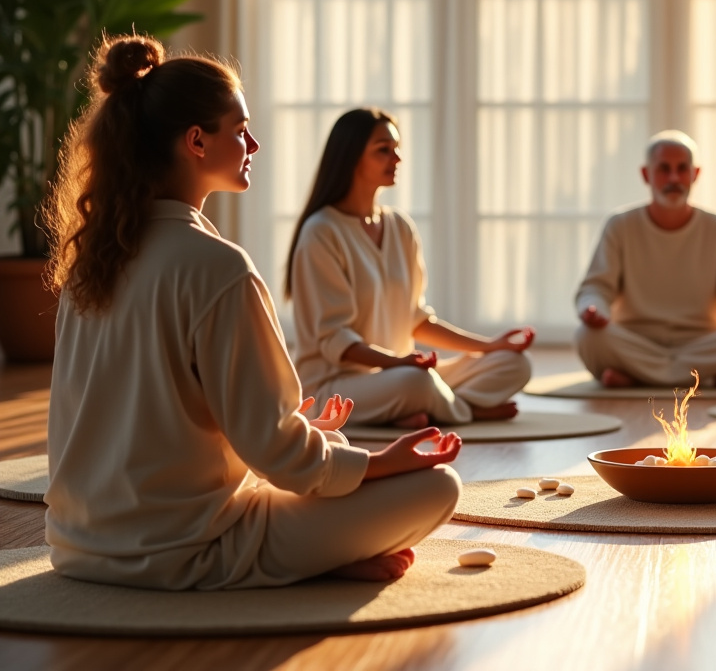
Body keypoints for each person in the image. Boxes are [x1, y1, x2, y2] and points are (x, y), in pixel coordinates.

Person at [41, 35, 462, 590]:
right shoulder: (219, 267)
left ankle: (317, 551)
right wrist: (387, 458)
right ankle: (309, 558)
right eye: (240, 131)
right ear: (196, 140)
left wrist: (312, 432)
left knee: (326, 448)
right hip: (184, 550)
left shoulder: (91, 262)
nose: (254, 144)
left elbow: (149, 421)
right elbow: (282, 458)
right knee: (438, 486)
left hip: (79, 546)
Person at [286, 108, 533, 427]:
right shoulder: (321, 232)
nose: (398, 158)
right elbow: (335, 340)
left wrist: (490, 346)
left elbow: (416, 320)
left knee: (515, 363)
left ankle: (428, 409)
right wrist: (398, 364)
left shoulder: (400, 226)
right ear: (351, 157)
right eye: (383, 150)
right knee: (417, 384)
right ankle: (467, 411)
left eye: (397, 148)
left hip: (400, 372)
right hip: (336, 389)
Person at [575, 130, 716, 388]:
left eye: (682, 169)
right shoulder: (620, 226)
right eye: (664, 169)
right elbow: (595, 288)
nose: (673, 178)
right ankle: (707, 377)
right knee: (588, 336)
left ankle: (637, 376)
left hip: (702, 341)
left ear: (695, 174)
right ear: (646, 175)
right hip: (637, 340)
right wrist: (594, 311)